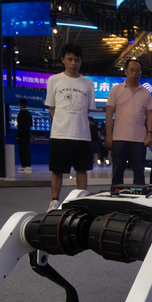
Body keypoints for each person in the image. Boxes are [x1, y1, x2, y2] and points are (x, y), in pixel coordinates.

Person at [45, 43, 96, 212]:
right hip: (60, 134)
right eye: (70, 59)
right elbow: (52, 106)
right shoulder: (54, 80)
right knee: (57, 170)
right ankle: (54, 201)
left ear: (81, 62)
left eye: (77, 60)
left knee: (82, 170)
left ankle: (81, 201)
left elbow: (87, 109)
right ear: (63, 60)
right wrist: (62, 121)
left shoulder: (88, 83)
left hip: (82, 134)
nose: (73, 63)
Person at [105, 59, 152, 185]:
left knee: (139, 173)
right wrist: (109, 135)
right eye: (132, 70)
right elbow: (109, 114)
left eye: (138, 71)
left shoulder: (146, 93)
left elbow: (149, 114)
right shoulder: (115, 90)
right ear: (125, 71)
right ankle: (116, 197)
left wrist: (149, 133)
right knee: (117, 172)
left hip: (139, 139)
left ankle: (139, 199)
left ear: (140, 74)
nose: (134, 73)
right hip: (119, 137)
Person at [16, 98, 33, 173]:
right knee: (27, 150)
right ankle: (28, 165)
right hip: (28, 135)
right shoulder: (29, 113)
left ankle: (24, 165)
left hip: (21, 135)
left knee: (22, 151)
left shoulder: (21, 113)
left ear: (19, 104)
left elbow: (20, 125)